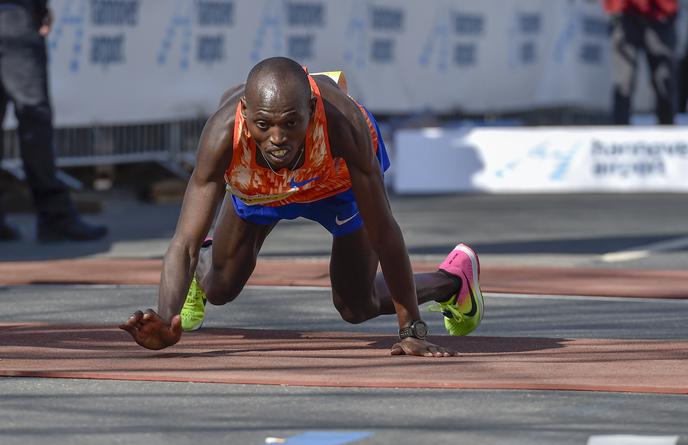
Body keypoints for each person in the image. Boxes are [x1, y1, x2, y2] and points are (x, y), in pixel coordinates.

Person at [120, 57, 485, 357]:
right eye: (264, 125)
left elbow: (384, 233)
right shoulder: (222, 135)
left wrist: (412, 329)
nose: (278, 139)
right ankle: (206, 267)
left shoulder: (344, 124)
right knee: (220, 289)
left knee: (357, 307)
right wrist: (166, 319)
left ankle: (452, 282)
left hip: (334, 184)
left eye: (290, 124)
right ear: (246, 114)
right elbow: (184, 240)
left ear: (311, 110)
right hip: (258, 187)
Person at [0, 0, 107, 242]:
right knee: (35, 121)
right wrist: (39, 10)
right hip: (14, 17)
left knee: (33, 120)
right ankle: (55, 216)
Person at [604, 0, 679, 125]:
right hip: (624, 14)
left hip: (660, 13)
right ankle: (618, 135)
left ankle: (668, 133)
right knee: (624, 80)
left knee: (664, 79)